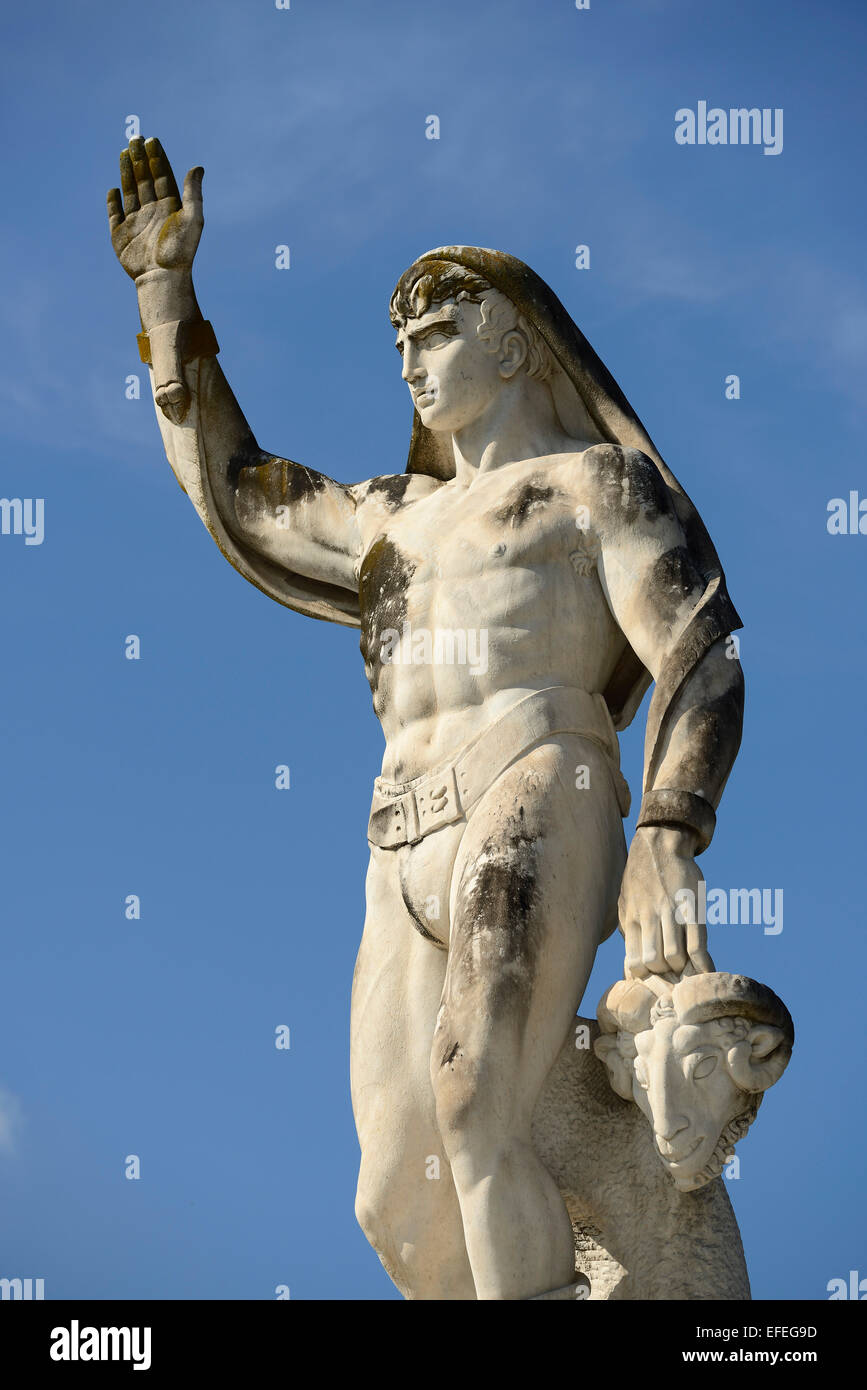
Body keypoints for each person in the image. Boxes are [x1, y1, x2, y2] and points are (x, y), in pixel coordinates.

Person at [108, 137, 744, 1300]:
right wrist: (167, 298)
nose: (410, 358)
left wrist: (667, 830)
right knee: (394, 1199)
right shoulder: (393, 516)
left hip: (540, 775)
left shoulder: (595, 486)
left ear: (512, 340)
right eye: (399, 342)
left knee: (472, 1089)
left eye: (438, 332)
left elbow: (699, 650)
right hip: (398, 830)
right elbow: (243, 496)